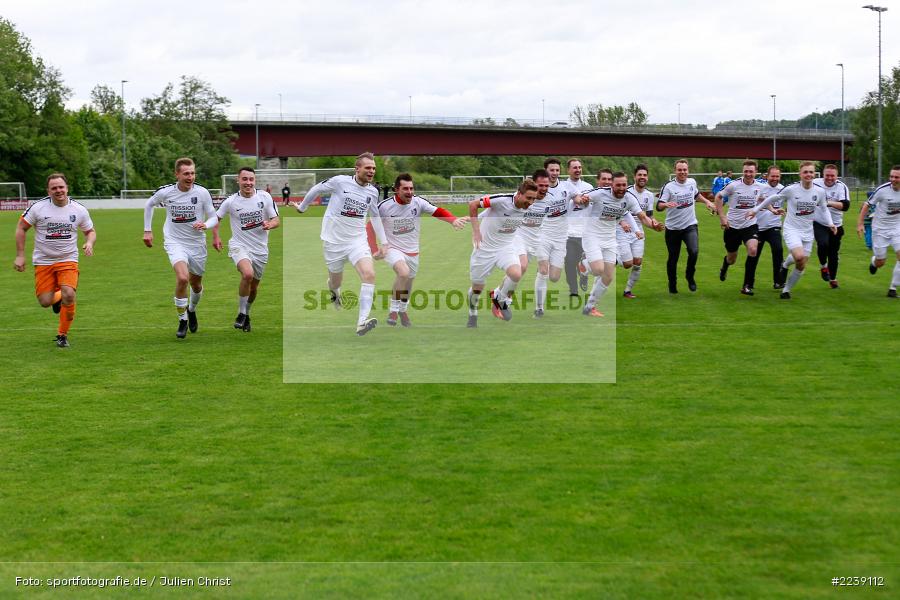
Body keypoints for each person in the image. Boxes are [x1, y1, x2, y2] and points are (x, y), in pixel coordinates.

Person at [291, 152, 387, 336]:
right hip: (333, 243)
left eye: (374, 168)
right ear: (357, 168)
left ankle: (361, 323)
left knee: (369, 274)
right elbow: (316, 189)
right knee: (336, 281)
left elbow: (375, 215)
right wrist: (302, 208)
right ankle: (334, 292)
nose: (372, 171)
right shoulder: (340, 182)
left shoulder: (373, 192)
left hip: (357, 241)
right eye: (368, 167)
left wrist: (384, 242)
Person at [366, 173, 468, 327]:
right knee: (403, 272)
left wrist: (453, 220)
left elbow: (437, 211)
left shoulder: (418, 202)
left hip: (413, 251)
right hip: (392, 249)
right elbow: (370, 227)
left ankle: (403, 310)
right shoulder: (385, 206)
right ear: (396, 190)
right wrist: (375, 250)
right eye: (405, 188)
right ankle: (393, 311)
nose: (409, 192)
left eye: (411, 188)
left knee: (408, 282)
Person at [14, 173, 96, 348]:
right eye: (54, 188)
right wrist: (20, 255)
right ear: (48, 190)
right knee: (45, 302)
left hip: (68, 259)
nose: (58, 190)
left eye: (61, 187)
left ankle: (62, 335)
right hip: (43, 261)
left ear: (67, 188)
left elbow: (90, 231)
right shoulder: (38, 208)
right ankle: (57, 298)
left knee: (69, 294)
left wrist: (89, 242)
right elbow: (21, 228)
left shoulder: (79, 210)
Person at [143, 158, 221, 339]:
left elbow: (213, 217)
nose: (190, 177)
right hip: (174, 241)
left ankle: (191, 310)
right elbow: (149, 204)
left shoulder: (202, 193)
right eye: (186, 173)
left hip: (196, 244)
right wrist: (148, 230)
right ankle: (182, 319)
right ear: (177, 174)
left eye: (192, 173)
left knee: (196, 284)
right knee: (183, 278)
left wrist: (206, 225)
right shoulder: (166, 192)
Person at [576, 172, 662, 317]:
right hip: (592, 236)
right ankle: (583, 265)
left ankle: (590, 307)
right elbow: (579, 198)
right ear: (612, 185)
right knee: (598, 270)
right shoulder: (600, 193)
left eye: (624, 184)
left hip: (610, 239)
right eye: (618, 185)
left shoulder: (629, 198)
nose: (622, 188)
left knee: (608, 277)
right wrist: (581, 199)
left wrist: (653, 226)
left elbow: (642, 217)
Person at [747, 161, 836, 299]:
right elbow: (771, 198)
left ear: (814, 174)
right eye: (805, 172)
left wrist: (831, 223)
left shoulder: (819, 191)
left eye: (811, 172)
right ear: (800, 174)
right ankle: (786, 264)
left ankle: (786, 289)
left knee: (801, 265)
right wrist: (755, 210)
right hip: (792, 229)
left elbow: (824, 209)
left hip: (808, 231)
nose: (808, 174)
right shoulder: (791, 189)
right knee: (799, 256)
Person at [466, 179, 538, 327]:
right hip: (484, 249)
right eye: (528, 198)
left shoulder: (528, 206)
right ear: (519, 194)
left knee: (516, 274)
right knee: (477, 288)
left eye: (533, 198)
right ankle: (472, 314)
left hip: (505, 247)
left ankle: (499, 298)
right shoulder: (501, 200)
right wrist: (476, 230)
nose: (531, 202)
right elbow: (473, 204)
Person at [215, 167, 280, 332]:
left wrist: (269, 224)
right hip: (239, 246)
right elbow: (216, 219)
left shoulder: (264, 197)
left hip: (260, 249)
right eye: (245, 179)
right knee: (247, 274)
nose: (248, 183)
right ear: (238, 180)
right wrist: (216, 236)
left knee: (254, 287)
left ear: (255, 181)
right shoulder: (230, 201)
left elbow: (276, 220)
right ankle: (241, 313)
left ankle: (246, 313)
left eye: (251, 179)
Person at [656, 159, 716, 293]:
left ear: (688, 171)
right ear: (675, 171)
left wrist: (707, 202)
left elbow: (696, 195)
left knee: (694, 251)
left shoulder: (692, 182)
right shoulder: (669, 187)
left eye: (684, 170)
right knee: (673, 258)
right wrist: (665, 204)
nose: (682, 172)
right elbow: (658, 206)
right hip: (673, 229)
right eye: (680, 170)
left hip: (690, 225)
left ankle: (690, 276)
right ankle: (672, 284)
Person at [715, 160, 765, 295]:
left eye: (751, 171)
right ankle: (725, 265)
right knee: (732, 259)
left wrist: (772, 209)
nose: (748, 174)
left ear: (756, 172)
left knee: (753, 249)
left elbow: (762, 200)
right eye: (746, 171)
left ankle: (746, 285)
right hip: (732, 227)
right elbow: (718, 197)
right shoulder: (733, 185)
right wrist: (722, 217)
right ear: (743, 172)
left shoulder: (759, 186)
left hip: (750, 225)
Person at [857, 165, 900, 298]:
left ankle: (893, 288)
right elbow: (867, 205)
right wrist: (860, 224)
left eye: (897, 177)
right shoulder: (882, 190)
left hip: (897, 227)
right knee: (881, 261)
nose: (893, 179)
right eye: (891, 176)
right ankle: (874, 261)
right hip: (880, 229)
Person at [533, 158, 568, 317]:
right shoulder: (537, 192)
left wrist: (581, 199)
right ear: (545, 171)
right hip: (542, 235)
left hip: (561, 238)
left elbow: (577, 197)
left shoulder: (566, 187)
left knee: (554, 277)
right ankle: (539, 308)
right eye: (551, 170)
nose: (554, 173)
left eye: (557, 170)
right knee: (543, 271)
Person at [618, 164, 655, 299]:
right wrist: (622, 222)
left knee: (637, 263)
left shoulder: (649, 195)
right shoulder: (625, 191)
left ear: (647, 177)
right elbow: (617, 211)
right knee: (627, 264)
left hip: (639, 232)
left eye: (644, 175)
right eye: (640, 175)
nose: (642, 177)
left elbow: (649, 216)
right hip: (623, 230)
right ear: (634, 177)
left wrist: (655, 224)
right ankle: (615, 259)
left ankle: (627, 290)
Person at [812, 164, 850, 288]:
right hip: (819, 222)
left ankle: (833, 279)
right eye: (827, 175)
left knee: (833, 253)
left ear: (836, 176)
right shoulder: (815, 183)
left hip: (836, 224)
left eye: (832, 175)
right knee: (823, 244)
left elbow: (845, 206)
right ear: (822, 175)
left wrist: (827, 203)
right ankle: (823, 267)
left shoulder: (841, 187)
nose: (829, 178)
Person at [562, 159, 594, 297]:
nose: (578, 170)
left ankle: (584, 274)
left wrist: (587, 203)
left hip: (585, 233)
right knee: (569, 261)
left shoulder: (588, 186)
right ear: (568, 170)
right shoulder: (563, 187)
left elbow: (592, 208)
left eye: (580, 167)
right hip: (568, 232)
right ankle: (573, 289)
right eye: (574, 167)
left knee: (585, 262)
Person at [514, 169, 552, 278]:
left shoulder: (551, 199)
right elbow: (501, 205)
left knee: (520, 272)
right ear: (534, 184)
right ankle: (506, 295)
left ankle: (497, 293)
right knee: (522, 266)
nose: (544, 188)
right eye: (541, 185)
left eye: (546, 185)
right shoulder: (521, 196)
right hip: (518, 236)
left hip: (535, 240)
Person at [754, 166, 786, 289]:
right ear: (767, 176)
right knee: (754, 254)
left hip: (774, 226)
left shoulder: (783, 189)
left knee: (778, 250)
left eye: (777, 176)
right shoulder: (760, 188)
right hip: (758, 227)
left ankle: (778, 281)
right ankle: (749, 282)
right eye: (772, 176)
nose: (775, 178)